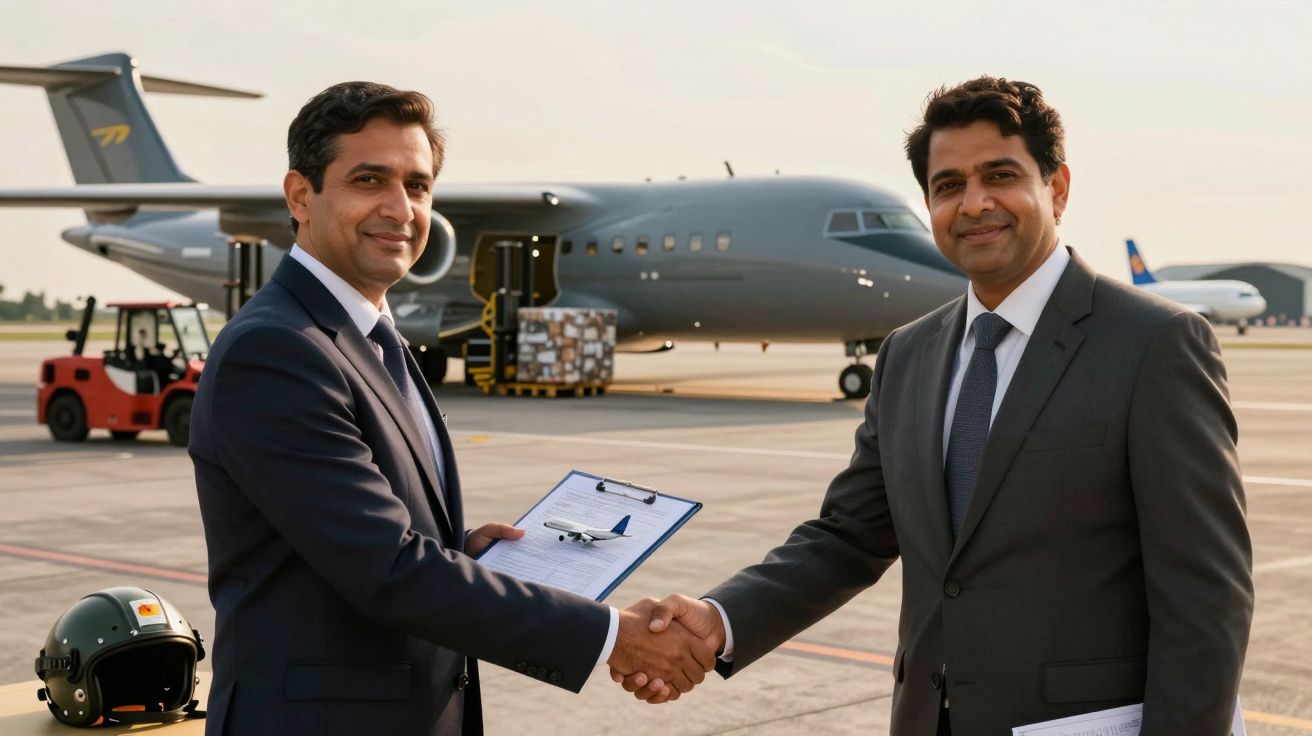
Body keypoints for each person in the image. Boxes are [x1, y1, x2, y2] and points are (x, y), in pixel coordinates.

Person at [617, 77, 1254, 734]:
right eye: (949, 186)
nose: (973, 204)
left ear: (1057, 188)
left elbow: (1206, 597)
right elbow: (848, 538)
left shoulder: (1154, 344)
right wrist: (720, 621)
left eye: (999, 176)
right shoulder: (908, 356)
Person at [189, 82, 713, 736]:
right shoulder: (278, 349)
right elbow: (388, 570)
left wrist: (463, 553)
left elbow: (355, 543)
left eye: (418, 185)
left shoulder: (373, 337)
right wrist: (612, 636)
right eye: (369, 180)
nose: (400, 208)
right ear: (301, 195)